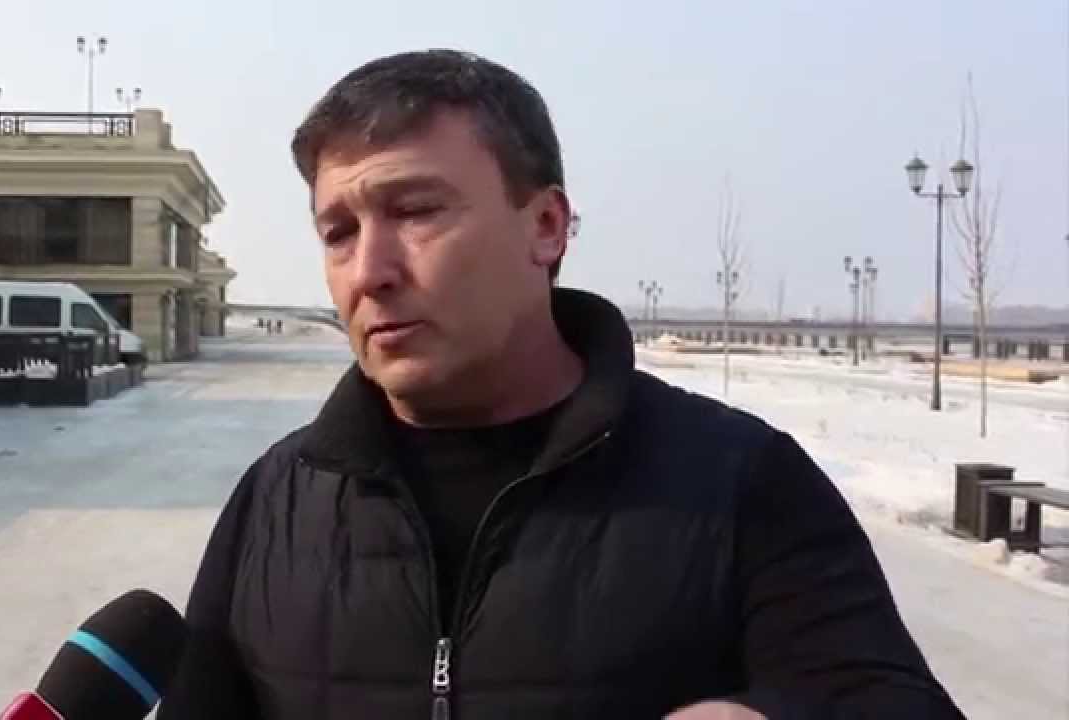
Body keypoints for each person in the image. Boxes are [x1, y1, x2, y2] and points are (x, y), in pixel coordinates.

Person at [160, 49, 964, 719]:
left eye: (416, 211)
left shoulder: (740, 484)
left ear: (546, 227)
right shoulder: (274, 502)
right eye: (338, 232)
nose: (369, 271)